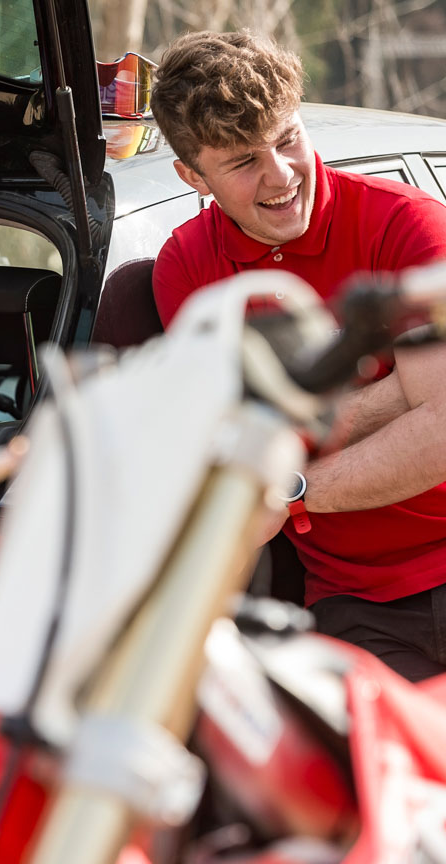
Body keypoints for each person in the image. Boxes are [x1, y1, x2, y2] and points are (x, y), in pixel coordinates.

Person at [151, 30, 446, 680]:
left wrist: (290, 490)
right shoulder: (187, 267)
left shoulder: (408, 224)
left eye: (287, 140)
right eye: (243, 161)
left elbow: (441, 431)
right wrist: (400, 393)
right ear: (192, 176)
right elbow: (231, 448)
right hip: (353, 602)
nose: (282, 175)